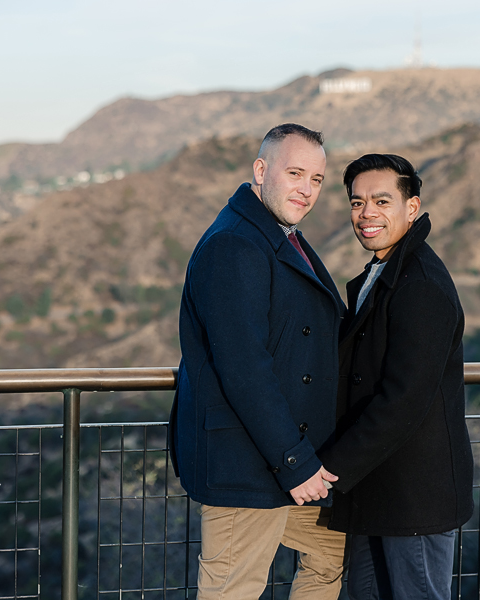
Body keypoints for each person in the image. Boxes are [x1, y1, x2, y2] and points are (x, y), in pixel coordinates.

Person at [167, 124, 347, 599]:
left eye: (317, 179)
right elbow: (244, 367)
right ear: (261, 171)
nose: (306, 189)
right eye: (295, 173)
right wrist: (296, 462)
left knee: (333, 554)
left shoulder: (279, 235)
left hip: (289, 457)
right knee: (234, 590)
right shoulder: (234, 244)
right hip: (247, 465)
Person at [317, 154, 474, 600]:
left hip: (414, 496)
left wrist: (329, 466)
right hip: (376, 486)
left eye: (382, 200)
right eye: (357, 202)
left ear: (412, 207)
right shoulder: (384, 271)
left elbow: (403, 401)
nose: (367, 213)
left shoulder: (421, 284)